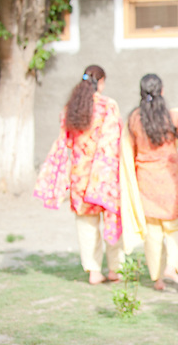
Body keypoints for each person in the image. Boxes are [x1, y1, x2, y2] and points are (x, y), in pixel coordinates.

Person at [34, 65, 124, 285]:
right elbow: (113, 141)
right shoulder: (108, 106)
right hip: (104, 175)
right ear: (100, 82)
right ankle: (115, 269)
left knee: (86, 224)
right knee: (111, 218)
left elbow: (65, 141)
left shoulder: (70, 107)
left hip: (80, 176)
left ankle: (94, 271)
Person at [127, 73, 178, 291]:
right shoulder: (172, 117)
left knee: (153, 231)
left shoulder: (134, 118)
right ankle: (172, 267)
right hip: (170, 176)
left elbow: (131, 149)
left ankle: (157, 279)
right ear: (162, 91)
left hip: (146, 177)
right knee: (176, 226)